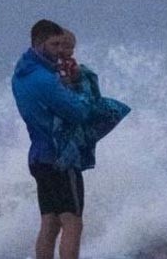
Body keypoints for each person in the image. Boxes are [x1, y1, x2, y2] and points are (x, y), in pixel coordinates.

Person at [11, 19, 100, 259]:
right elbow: (79, 111)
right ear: (39, 44)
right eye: (54, 44)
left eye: (63, 44)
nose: (60, 49)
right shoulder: (45, 79)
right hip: (60, 157)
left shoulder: (21, 74)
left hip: (38, 157)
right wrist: (80, 87)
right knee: (72, 221)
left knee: (49, 223)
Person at [53, 30, 130, 172]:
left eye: (72, 48)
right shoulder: (54, 65)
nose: (71, 51)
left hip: (76, 103)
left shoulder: (72, 65)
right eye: (67, 47)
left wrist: (77, 78)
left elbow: (89, 89)